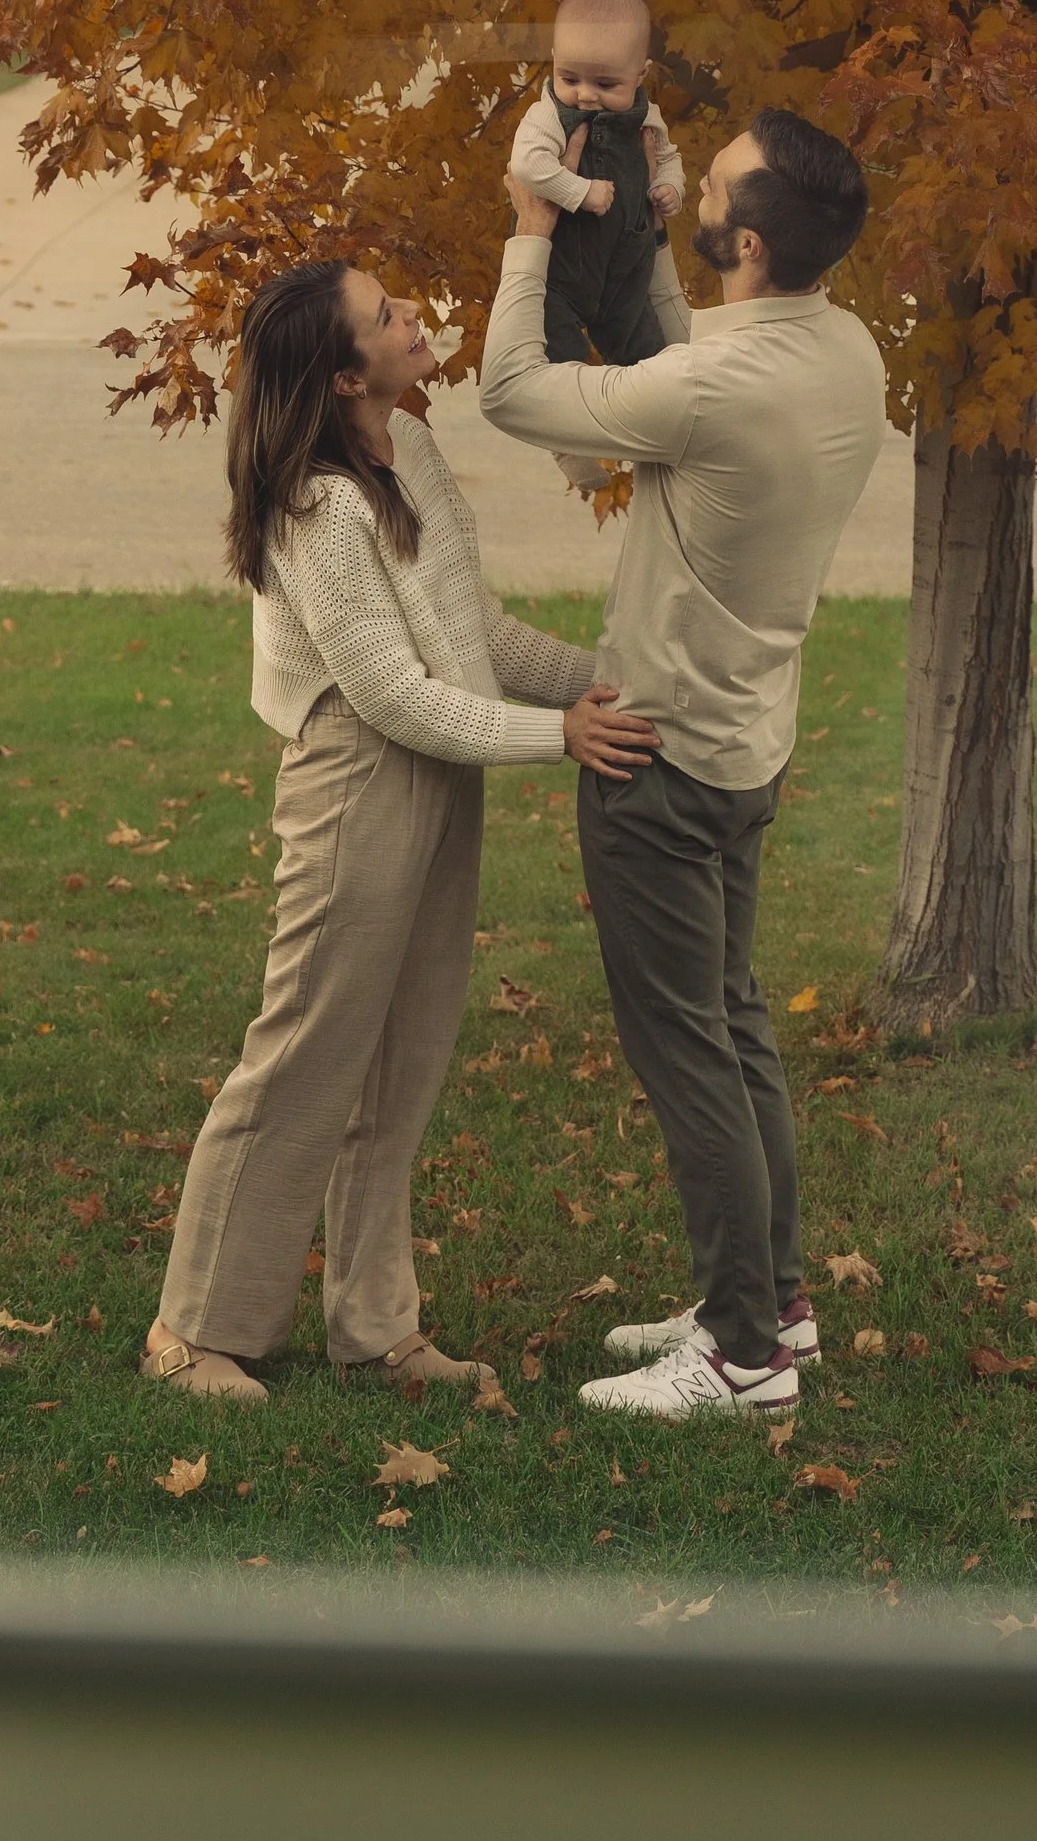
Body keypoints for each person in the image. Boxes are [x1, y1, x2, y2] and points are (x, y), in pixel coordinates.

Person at [143, 257, 661, 1405]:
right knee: (305, 1052)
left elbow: (464, 631)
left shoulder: (409, 447)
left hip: (449, 757)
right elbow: (390, 694)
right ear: (338, 375)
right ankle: (194, 1330)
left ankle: (374, 1327)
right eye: (386, 318)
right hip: (358, 775)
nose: (415, 316)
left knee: (403, 1060)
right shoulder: (313, 508)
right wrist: (556, 737)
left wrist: (614, 681)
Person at [480, 108, 887, 1421]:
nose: (691, 188)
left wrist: (534, 229)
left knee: (692, 1055)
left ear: (748, 239)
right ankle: (775, 1302)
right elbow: (663, 355)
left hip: (655, 765)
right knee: (738, 1023)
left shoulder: (712, 387)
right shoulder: (845, 349)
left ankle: (741, 1354)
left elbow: (509, 391)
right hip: (743, 746)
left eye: (705, 186)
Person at [504, 0, 689, 375]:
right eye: (569, 78)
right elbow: (527, 164)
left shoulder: (648, 116)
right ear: (554, 60)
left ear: (641, 74)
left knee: (651, 366)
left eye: (605, 84)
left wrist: (670, 186)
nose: (585, 95)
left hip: (626, 273)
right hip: (561, 269)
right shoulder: (549, 115)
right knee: (560, 371)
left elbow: (668, 157)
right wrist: (580, 190)